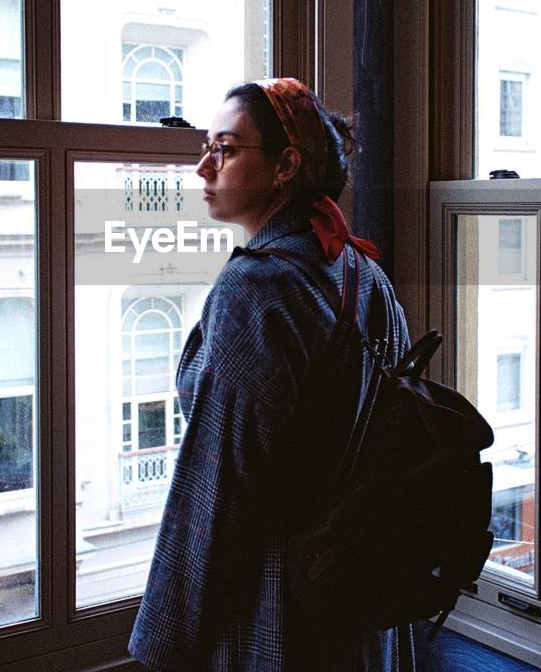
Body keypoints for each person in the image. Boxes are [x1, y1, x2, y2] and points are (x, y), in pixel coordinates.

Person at [129, 78, 417, 671]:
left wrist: (163, 641)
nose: (204, 166)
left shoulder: (254, 289)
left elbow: (217, 482)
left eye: (226, 149)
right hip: (359, 579)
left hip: (281, 597)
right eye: (207, 146)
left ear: (286, 165)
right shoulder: (364, 273)